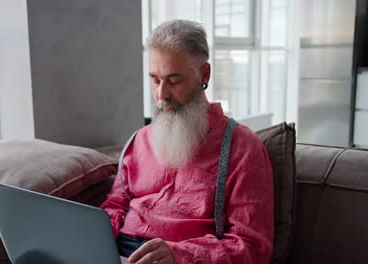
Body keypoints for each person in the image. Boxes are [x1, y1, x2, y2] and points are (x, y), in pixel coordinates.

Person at [100, 19, 274, 264]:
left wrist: (180, 255)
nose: (161, 95)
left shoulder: (243, 148)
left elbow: (253, 246)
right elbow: (116, 204)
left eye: (174, 81)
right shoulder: (140, 140)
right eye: (155, 80)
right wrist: (90, 237)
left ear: (204, 74)